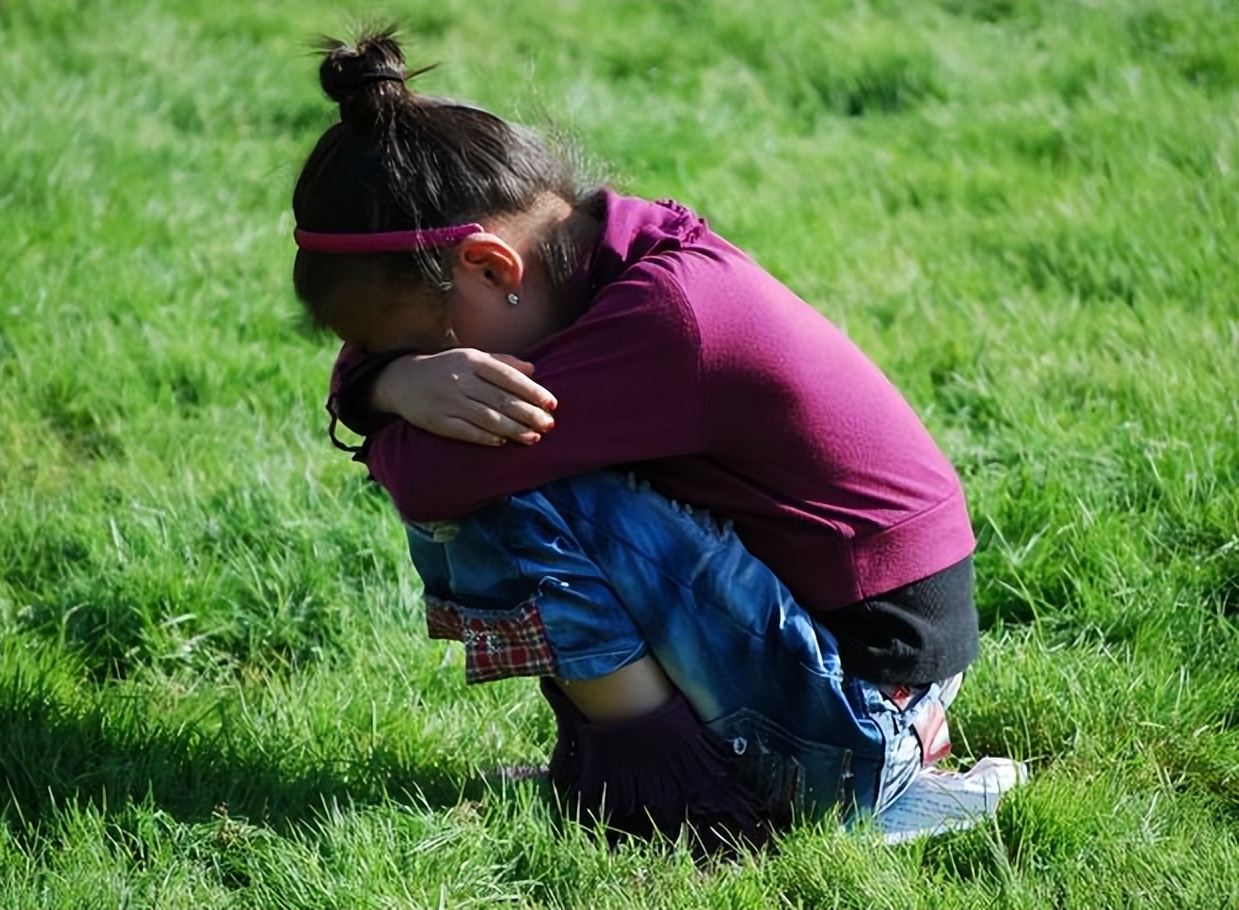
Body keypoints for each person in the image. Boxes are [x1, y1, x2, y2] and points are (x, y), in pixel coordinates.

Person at [291, 29, 1018, 852]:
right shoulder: (604, 251)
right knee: (497, 452)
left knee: (497, 484)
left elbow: (429, 481)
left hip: (859, 719)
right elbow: (384, 404)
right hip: (870, 681)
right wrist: (390, 382)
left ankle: (674, 795)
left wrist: (382, 398)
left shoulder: (668, 321)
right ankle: (646, 763)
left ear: (492, 269)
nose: (434, 373)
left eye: (421, 346)